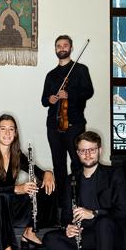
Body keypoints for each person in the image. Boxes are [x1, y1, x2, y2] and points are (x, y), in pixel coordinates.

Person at [43, 131, 126, 250]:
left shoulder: (114, 174)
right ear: (78, 153)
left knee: (103, 222)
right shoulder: (71, 179)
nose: (87, 154)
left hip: (113, 233)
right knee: (50, 238)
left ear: (100, 150)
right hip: (88, 235)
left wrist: (94, 213)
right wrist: (68, 227)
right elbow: (66, 214)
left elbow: (121, 211)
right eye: (83, 150)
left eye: (92, 150)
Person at [0, 114, 57, 250]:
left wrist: (48, 173)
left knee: (46, 187)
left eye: (11, 129)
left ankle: (30, 231)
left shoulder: (17, 155)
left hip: (10, 210)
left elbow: (40, 173)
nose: (7, 133)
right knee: (2, 198)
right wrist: (17, 189)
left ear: (15, 134)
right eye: (3, 129)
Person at [41, 35, 94, 197]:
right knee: (58, 164)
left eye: (65, 45)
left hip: (74, 124)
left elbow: (88, 92)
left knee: (77, 162)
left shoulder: (80, 69)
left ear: (71, 48)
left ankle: (80, 196)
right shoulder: (51, 74)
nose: (62, 48)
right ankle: (62, 200)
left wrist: (69, 94)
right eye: (59, 46)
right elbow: (44, 100)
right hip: (53, 126)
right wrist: (50, 99)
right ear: (55, 50)